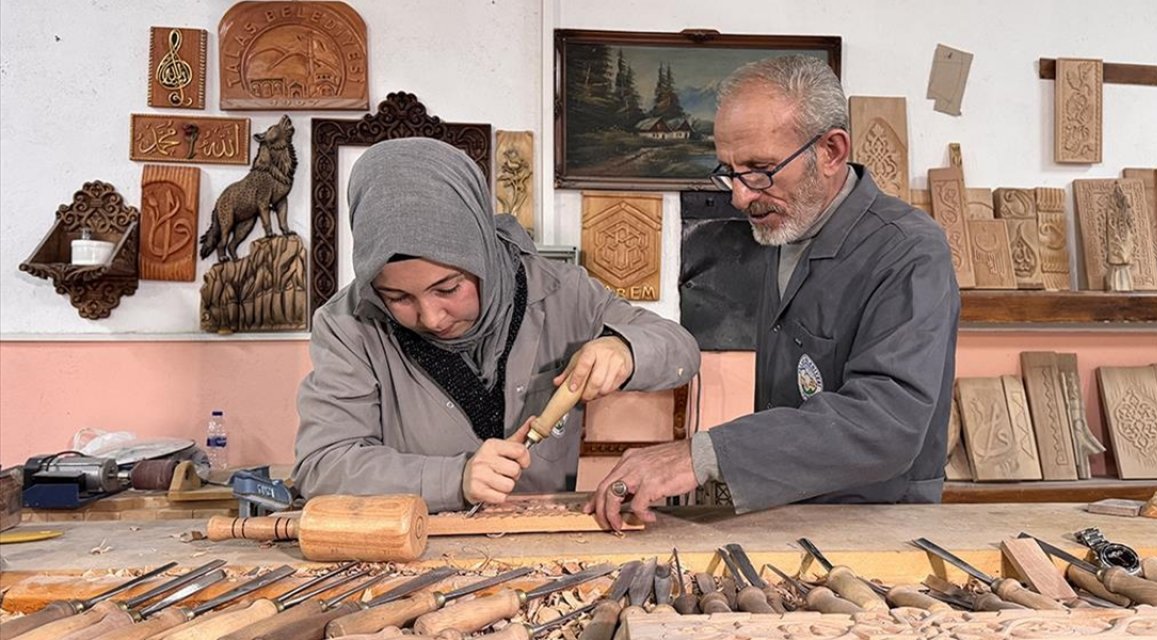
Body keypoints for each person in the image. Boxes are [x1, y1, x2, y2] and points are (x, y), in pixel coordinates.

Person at [587, 55, 960, 530]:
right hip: (788, 511)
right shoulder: (783, 229)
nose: (740, 197)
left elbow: (887, 424)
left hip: (878, 527)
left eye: (761, 169)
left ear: (831, 151)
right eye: (729, 170)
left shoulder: (908, 251)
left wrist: (700, 455)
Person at [293, 138, 700, 513]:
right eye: (398, 298)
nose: (432, 318)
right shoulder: (347, 325)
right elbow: (323, 466)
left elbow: (680, 348)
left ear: (481, 255)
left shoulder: (562, 292)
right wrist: (453, 479)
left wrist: (625, 349)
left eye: (448, 288)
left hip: (543, 548)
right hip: (413, 551)